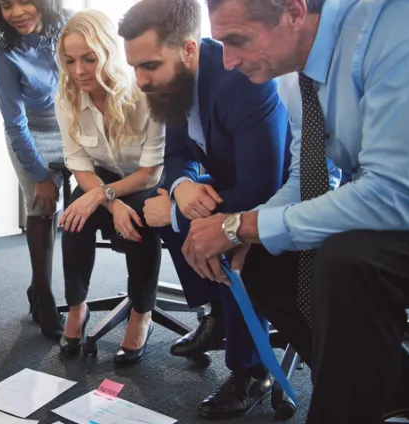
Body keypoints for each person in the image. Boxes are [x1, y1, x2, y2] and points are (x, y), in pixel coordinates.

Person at [182, 0, 409, 422]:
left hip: (405, 201)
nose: (229, 61)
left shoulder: (396, 26)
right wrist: (247, 234)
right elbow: (305, 177)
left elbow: (393, 192)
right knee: (258, 258)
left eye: (237, 41)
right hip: (401, 207)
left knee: (348, 262)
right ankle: (397, 388)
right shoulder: (294, 77)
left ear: (293, 11)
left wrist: (243, 223)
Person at [118, 0, 297, 418]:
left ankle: (251, 372)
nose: (140, 81)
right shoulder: (172, 84)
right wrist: (180, 189)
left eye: (149, 66)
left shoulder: (241, 81)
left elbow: (260, 191)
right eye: (134, 68)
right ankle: (217, 312)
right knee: (155, 205)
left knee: (203, 234)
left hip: (277, 199)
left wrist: (180, 213)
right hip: (231, 183)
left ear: (188, 49)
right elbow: (177, 154)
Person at [54, 9, 165, 365]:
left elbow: (151, 171)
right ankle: (77, 307)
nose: (79, 71)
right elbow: (79, 164)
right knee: (74, 219)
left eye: (89, 58)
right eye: (70, 61)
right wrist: (105, 199)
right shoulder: (66, 97)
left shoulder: (145, 93)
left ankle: (142, 313)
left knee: (140, 220)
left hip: (142, 180)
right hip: (97, 177)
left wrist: (108, 198)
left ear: (109, 53)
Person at [0, 0, 70, 341]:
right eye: (6, 5)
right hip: (32, 134)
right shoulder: (4, 56)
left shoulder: (72, 25)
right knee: (42, 208)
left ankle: (52, 291)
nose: (17, 12)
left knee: (81, 206)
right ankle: (45, 294)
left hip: (77, 129)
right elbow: (15, 124)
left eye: (25, 1)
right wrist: (39, 175)